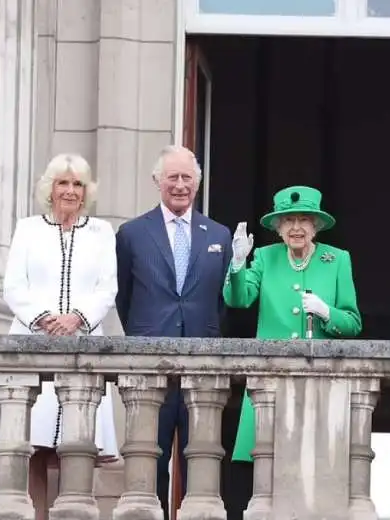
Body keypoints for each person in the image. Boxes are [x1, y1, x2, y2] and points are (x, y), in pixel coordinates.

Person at [0, 153, 119, 520]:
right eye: (62, 182)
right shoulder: (28, 228)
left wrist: (76, 318)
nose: (69, 190)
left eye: (77, 184)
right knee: (34, 444)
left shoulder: (101, 232)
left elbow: (106, 288)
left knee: (76, 447)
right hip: (35, 343)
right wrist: (44, 318)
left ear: (86, 191)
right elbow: (14, 286)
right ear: (50, 188)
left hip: (83, 345)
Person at [223, 185, 362, 510]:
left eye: (304, 220)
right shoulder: (266, 257)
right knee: (262, 471)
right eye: (288, 221)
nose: (296, 228)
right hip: (270, 383)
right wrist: (238, 264)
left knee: (315, 472)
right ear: (277, 227)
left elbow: (353, 323)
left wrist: (327, 312)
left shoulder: (337, 260)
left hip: (320, 384)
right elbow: (238, 299)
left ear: (316, 225)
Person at [115, 145, 232, 520]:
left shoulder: (218, 234)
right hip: (150, 364)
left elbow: (224, 299)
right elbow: (124, 296)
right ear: (157, 182)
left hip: (202, 364)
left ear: (197, 183)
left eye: (187, 178)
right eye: (173, 177)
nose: (180, 185)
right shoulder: (132, 233)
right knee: (150, 458)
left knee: (202, 457)